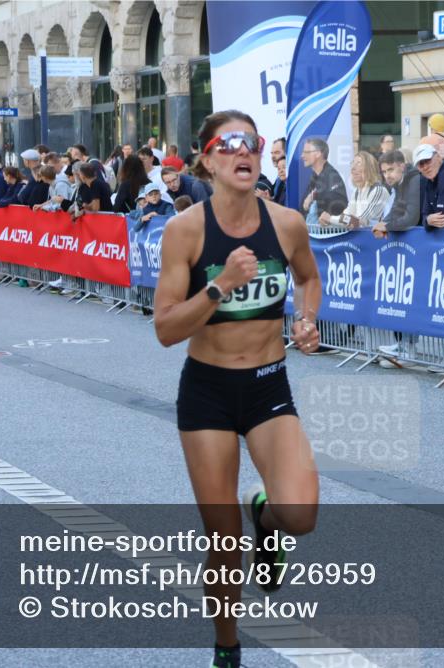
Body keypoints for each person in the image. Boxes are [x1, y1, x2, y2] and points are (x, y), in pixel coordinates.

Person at [152, 110, 321, 668]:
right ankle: (227, 647)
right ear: (208, 159)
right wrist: (221, 285)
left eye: (251, 142)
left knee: (300, 515)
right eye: (229, 145)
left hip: (269, 384)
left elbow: (308, 277)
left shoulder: (287, 223)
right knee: (222, 545)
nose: (243, 152)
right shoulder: (187, 230)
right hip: (208, 393)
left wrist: (307, 319)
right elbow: (166, 330)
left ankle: (265, 518)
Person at [374, 149, 422, 365]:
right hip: (405, 249)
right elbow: (395, 212)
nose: (388, 176)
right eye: (384, 172)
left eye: (391, 170)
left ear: (402, 165)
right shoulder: (398, 184)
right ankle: (402, 343)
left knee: (412, 299)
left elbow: (411, 217)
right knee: (401, 296)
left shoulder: (414, 181)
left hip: (419, 248)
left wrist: (388, 225)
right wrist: (385, 223)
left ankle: (409, 349)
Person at [320, 151, 388, 229]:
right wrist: (328, 220)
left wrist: (330, 219)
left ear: (370, 168)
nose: (353, 168)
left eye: (358, 163)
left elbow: (359, 221)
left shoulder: (378, 190)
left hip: (379, 239)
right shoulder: (357, 191)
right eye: (353, 163)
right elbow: (346, 216)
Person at [300, 138, 348, 220]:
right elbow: (304, 207)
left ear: (318, 154)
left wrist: (314, 197)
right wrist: (305, 206)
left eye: (306, 152)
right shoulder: (314, 177)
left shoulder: (332, 176)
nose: (302, 156)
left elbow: (339, 206)